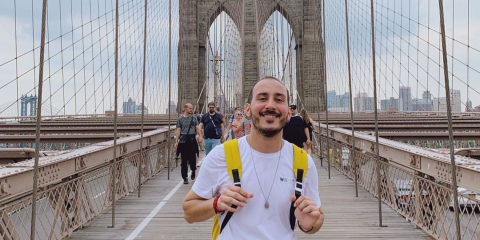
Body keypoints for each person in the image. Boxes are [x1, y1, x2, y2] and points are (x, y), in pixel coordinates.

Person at [183, 76, 324, 239]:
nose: (270, 105)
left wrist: (309, 225)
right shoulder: (221, 156)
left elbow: (317, 218)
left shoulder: (303, 162)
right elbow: (188, 211)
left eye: (279, 99)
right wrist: (216, 203)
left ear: (289, 113)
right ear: (248, 110)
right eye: (262, 98)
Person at [175, 103, 202, 184]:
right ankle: (185, 177)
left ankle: (193, 170)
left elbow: (197, 128)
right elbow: (178, 130)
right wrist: (176, 141)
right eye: (190, 108)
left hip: (192, 140)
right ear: (185, 108)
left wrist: (200, 136)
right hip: (183, 141)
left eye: (192, 108)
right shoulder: (180, 119)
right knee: (184, 160)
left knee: (193, 159)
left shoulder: (194, 118)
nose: (191, 109)